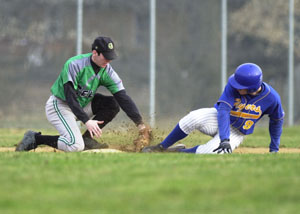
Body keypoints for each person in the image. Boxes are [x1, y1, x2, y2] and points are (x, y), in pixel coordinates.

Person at [16, 36, 149, 152]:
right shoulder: (74, 64)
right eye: (106, 56)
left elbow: (122, 97)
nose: (108, 61)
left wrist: (140, 124)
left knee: (112, 104)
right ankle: (35, 139)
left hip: (81, 105)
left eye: (111, 57)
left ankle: (87, 139)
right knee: (75, 145)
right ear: (95, 53)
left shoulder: (107, 70)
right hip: (60, 106)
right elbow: (70, 97)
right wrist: (86, 121)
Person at [142, 63, 284, 154]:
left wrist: (274, 149)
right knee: (193, 118)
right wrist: (224, 139)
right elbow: (223, 111)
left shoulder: (272, 99)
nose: (236, 86)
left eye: (240, 86)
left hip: (237, 131)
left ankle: (178, 152)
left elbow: (277, 121)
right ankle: (161, 147)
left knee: (214, 152)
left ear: (252, 88)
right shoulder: (233, 86)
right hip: (218, 118)